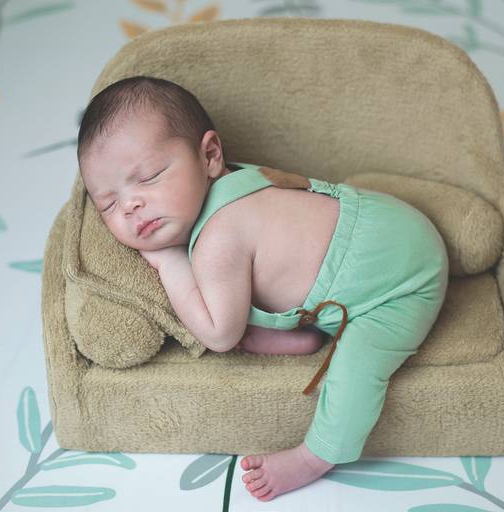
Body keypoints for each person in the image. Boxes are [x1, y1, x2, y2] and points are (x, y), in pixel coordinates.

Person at [77, 76, 449, 502]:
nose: (130, 205)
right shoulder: (233, 181)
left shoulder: (218, 240)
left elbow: (218, 334)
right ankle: (297, 336)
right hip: (381, 220)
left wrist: (169, 263)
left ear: (210, 156)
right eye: (108, 204)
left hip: (401, 279)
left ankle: (315, 457)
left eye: (149, 176)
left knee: (357, 369)